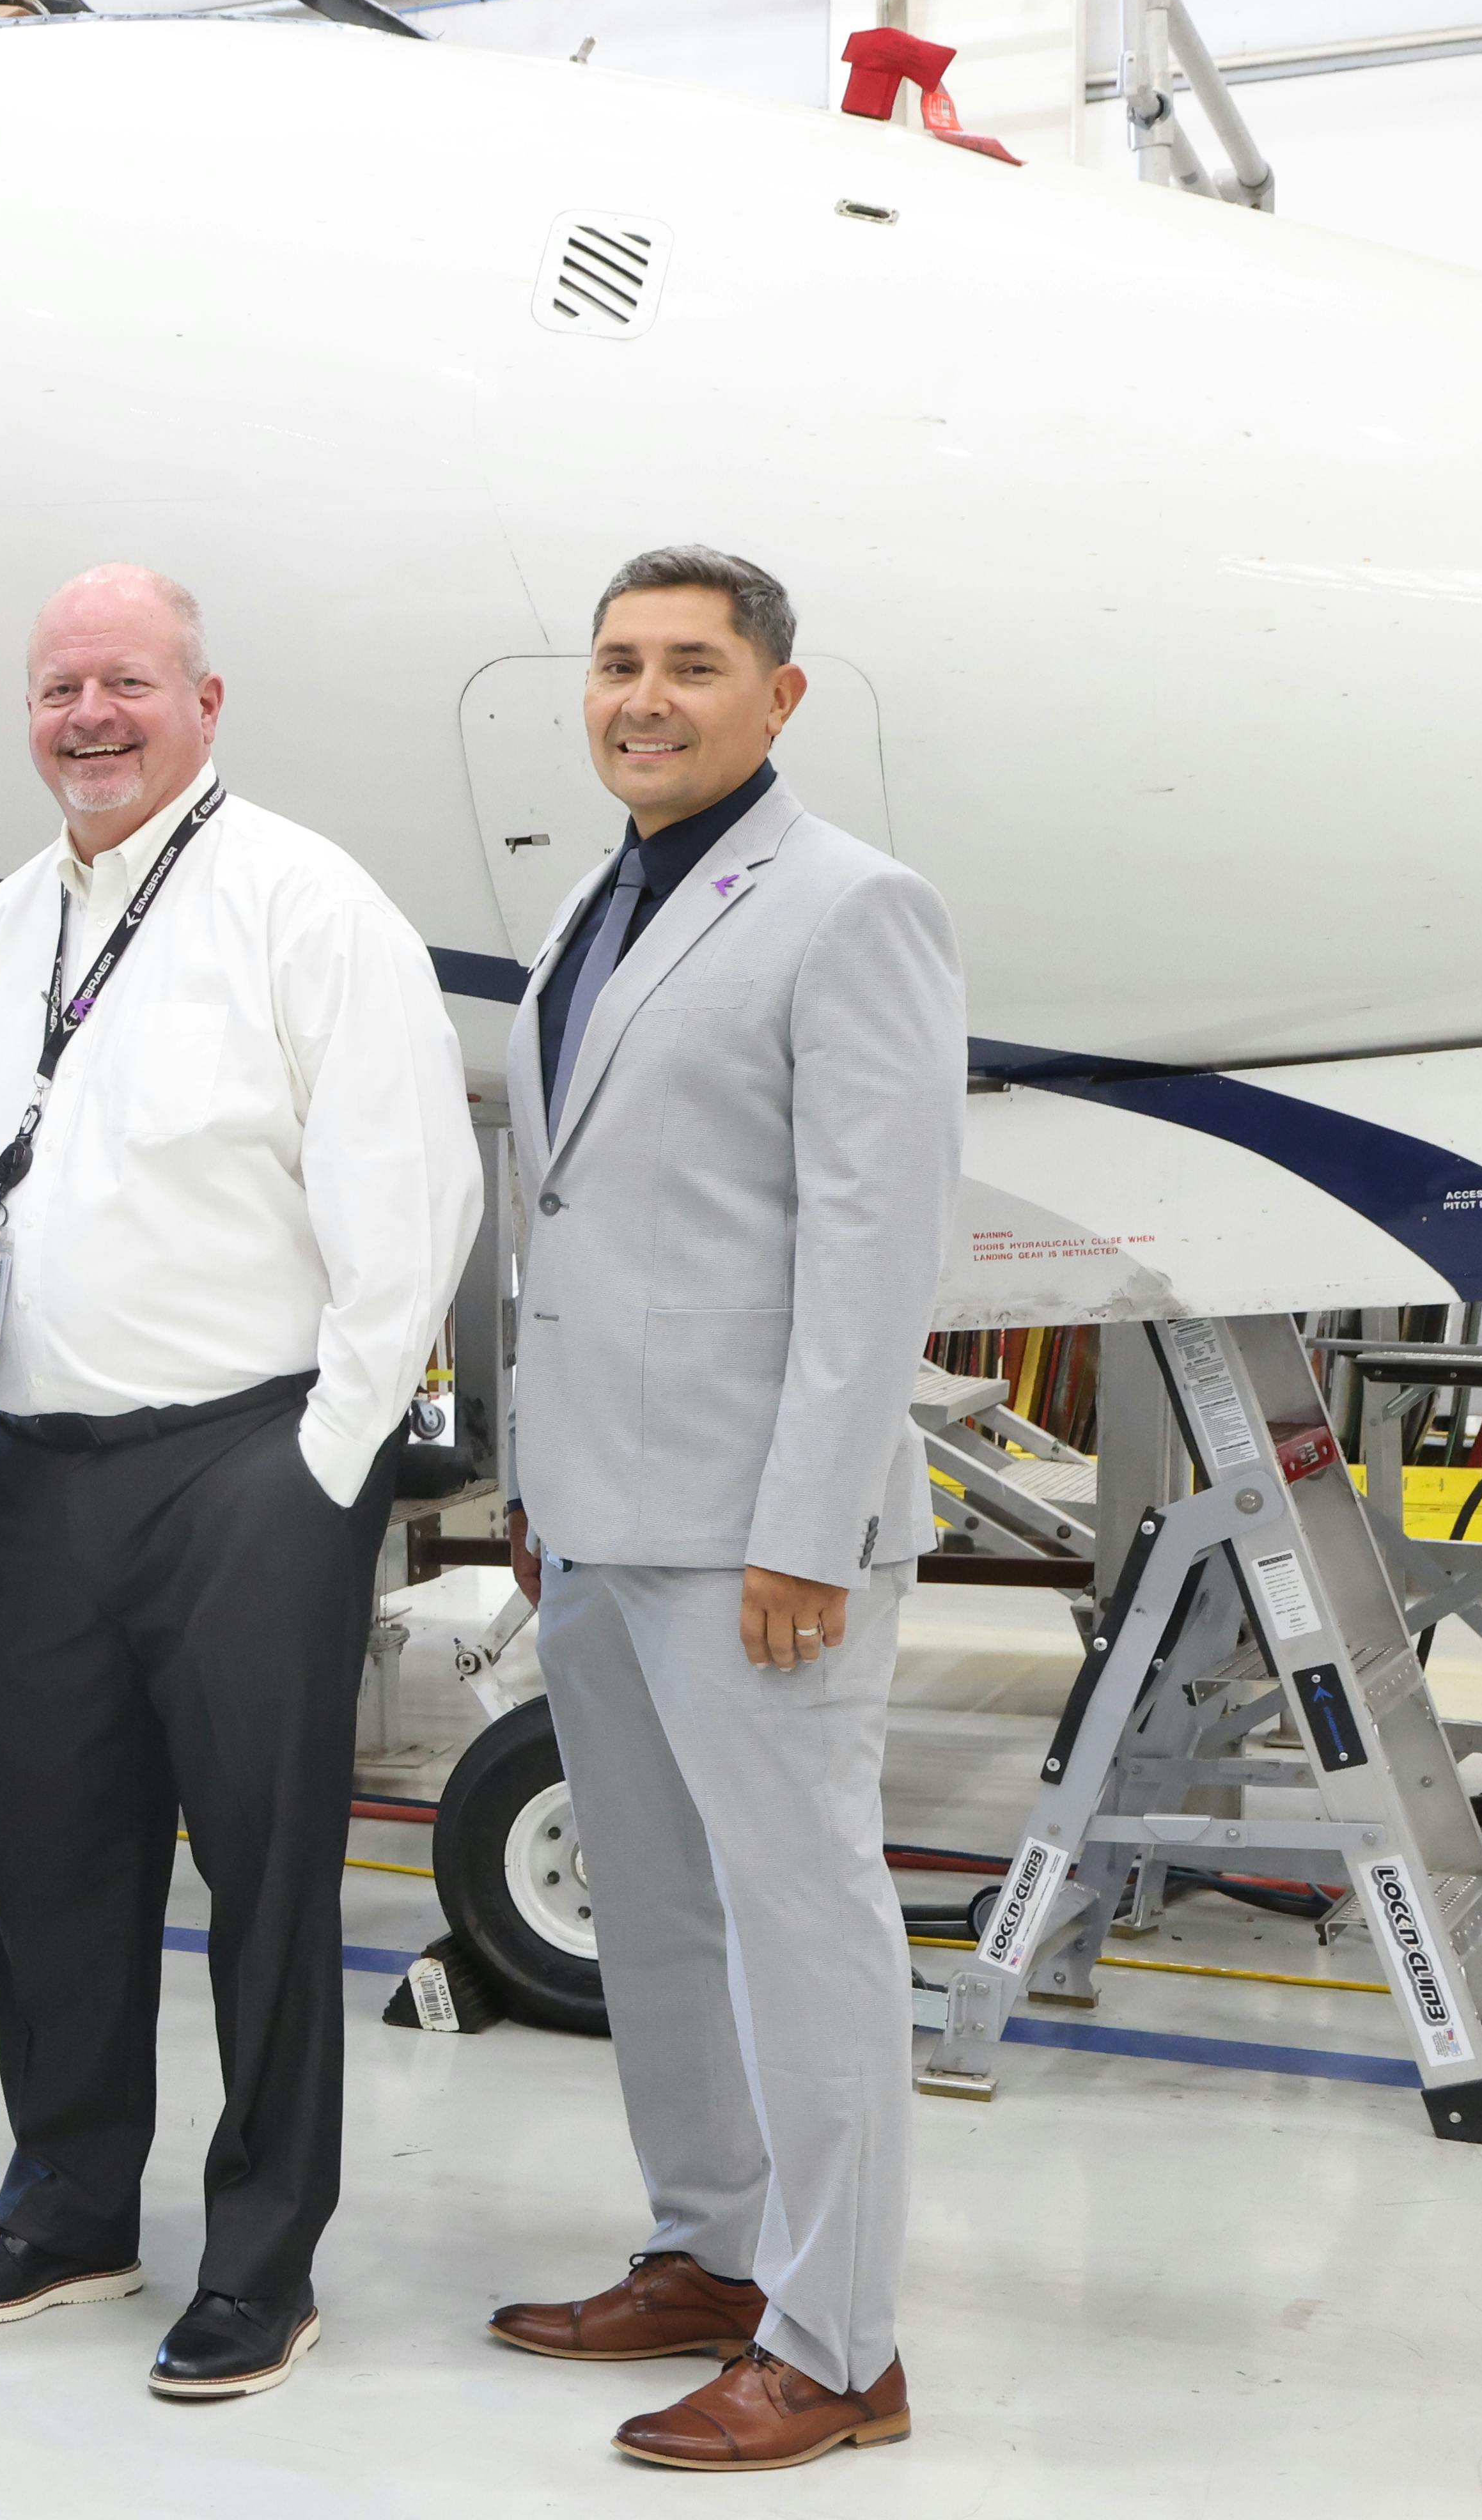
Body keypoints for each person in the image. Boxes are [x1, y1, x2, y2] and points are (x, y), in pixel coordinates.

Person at [0, 565, 480, 2400]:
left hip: (244, 1461)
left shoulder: (309, 905)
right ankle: (69, 2203)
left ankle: (262, 2257)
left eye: (127, 684)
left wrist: (323, 1469)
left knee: (265, 1877)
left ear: (205, 703)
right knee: (49, 1872)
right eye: (60, 685)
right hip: (25, 1471)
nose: (90, 715)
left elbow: (410, 1199)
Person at [483, 547, 958, 2473]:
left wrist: (807, 1529)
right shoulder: (597, 902)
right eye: (617, 665)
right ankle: (709, 2254)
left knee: (806, 1925)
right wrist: (538, 1489)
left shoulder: (850, 909)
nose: (645, 699)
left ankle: (840, 2346)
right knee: (661, 1918)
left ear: (781, 697)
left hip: (760, 1532)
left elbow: (876, 1245)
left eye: (692, 666)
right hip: (605, 1511)